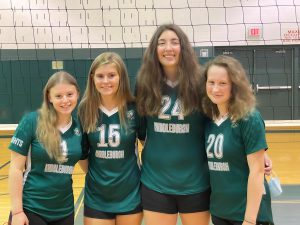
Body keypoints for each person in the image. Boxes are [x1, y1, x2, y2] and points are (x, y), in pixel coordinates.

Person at [136, 24, 211, 225]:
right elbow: (142, 132)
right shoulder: (144, 84)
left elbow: (221, 121)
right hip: (156, 183)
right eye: (162, 43)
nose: (168, 48)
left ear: (183, 48)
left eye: (174, 42)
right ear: (154, 50)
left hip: (196, 183)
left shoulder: (201, 82)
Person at [201, 55, 274, 225]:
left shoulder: (249, 118)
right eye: (211, 82)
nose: (215, 89)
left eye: (223, 83)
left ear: (235, 85)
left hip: (248, 214)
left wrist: (249, 220)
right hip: (220, 210)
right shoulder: (207, 119)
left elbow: (257, 172)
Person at [8, 71, 85, 225]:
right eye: (58, 96)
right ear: (49, 97)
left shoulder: (80, 129)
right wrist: (17, 211)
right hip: (32, 209)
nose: (65, 100)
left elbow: (88, 166)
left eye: (70, 94)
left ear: (77, 94)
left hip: (64, 211)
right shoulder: (32, 121)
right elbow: (15, 168)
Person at [78, 52, 143, 225]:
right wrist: (100, 176)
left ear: (121, 77)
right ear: (92, 78)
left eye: (111, 75)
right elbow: (83, 155)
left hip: (130, 193)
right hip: (97, 195)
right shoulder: (85, 109)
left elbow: (147, 144)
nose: (106, 81)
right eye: (100, 76)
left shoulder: (134, 107)